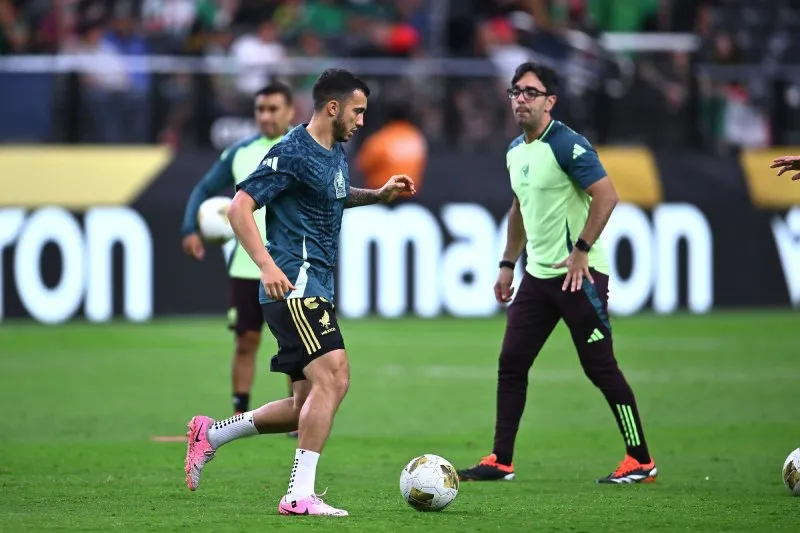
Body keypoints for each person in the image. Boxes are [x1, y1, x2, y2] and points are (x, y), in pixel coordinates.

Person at [183, 68, 416, 516]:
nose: (363, 120)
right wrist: (267, 266)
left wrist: (378, 195)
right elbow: (239, 208)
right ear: (333, 108)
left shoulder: (335, 151)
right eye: (358, 111)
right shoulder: (292, 150)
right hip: (295, 285)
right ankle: (298, 494)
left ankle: (210, 435)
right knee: (335, 377)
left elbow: (333, 195)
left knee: (302, 406)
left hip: (314, 287)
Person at [456, 62, 657, 485]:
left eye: (531, 92)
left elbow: (607, 196)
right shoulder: (515, 151)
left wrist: (582, 250)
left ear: (551, 101)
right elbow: (518, 209)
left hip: (579, 279)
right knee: (511, 363)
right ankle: (501, 460)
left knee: (600, 368)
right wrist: (508, 265)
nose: (521, 99)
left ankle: (640, 459)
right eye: (516, 92)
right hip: (538, 280)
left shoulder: (567, 144)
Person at [180, 83, 297, 434]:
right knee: (246, 340)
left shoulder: (303, 148)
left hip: (289, 264)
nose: (265, 115)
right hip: (247, 266)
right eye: (260, 109)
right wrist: (190, 227)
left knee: (296, 345)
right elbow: (203, 188)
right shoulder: (241, 152)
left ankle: (296, 414)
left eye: (273, 109)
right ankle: (240, 411)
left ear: (291, 111)